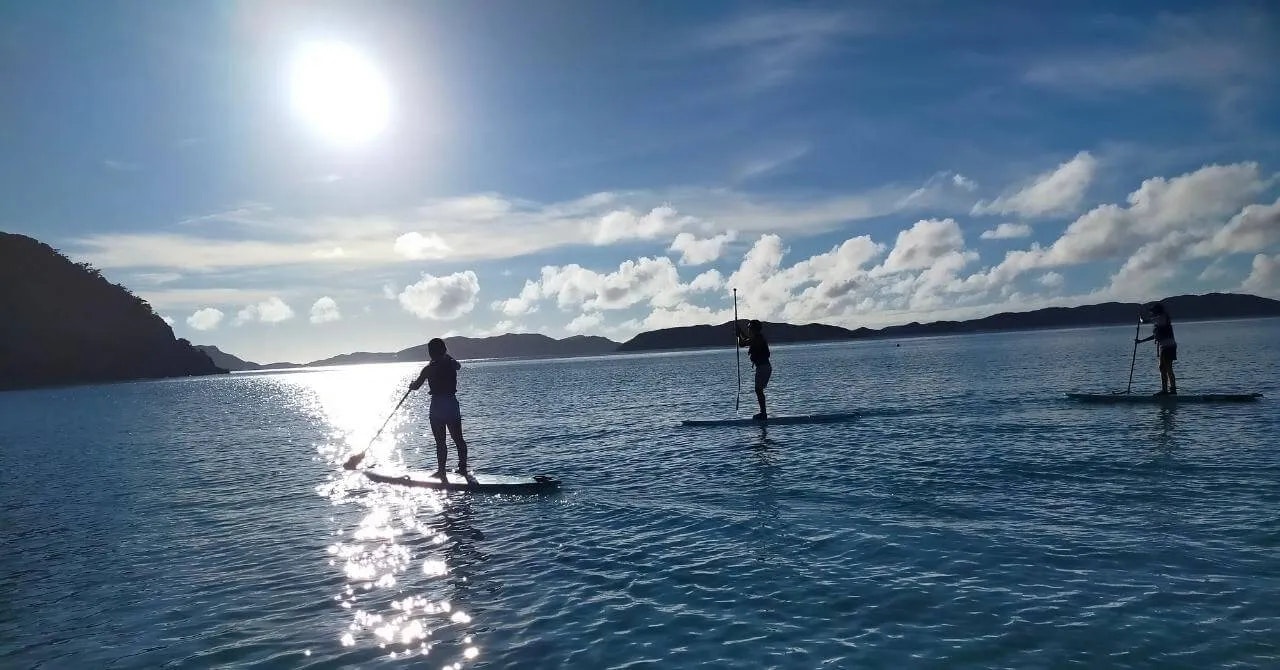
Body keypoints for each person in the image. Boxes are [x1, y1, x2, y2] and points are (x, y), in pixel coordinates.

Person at [409, 338, 469, 478]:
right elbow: (458, 366)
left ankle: (441, 471)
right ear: (444, 350)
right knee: (458, 439)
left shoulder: (428, 369)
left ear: (430, 352)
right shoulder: (451, 363)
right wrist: (447, 356)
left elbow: (416, 386)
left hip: (437, 406)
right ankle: (462, 468)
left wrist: (411, 385)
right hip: (450, 404)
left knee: (440, 441)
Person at [1135, 302, 1177, 395]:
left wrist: (1141, 319)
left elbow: (1147, 321)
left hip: (1167, 347)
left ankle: (1169, 390)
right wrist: (1141, 341)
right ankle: (1168, 389)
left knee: (1166, 368)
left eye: (1153, 311)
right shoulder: (1159, 321)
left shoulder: (1162, 317)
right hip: (1165, 346)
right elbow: (1155, 336)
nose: (1152, 313)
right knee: (1163, 368)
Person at [735, 319, 771, 420]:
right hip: (762, 367)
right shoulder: (756, 338)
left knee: (758, 390)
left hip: (763, 367)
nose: (748, 330)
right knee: (758, 390)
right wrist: (740, 332)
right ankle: (763, 413)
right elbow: (747, 339)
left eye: (749, 328)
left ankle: (763, 414)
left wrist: (739, 335)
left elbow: (742, 343)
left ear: (754, 329)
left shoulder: (758, 338)